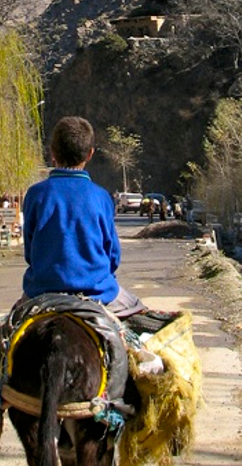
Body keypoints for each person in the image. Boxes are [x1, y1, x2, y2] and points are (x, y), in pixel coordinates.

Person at [18, 116, 146, 318]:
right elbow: (113, 256)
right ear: (90, 154)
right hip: (98, 293)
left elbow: (30, 252)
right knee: (139, 312)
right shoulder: (102, 197)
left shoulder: (35, 194)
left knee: (8, 332)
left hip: (42, 293)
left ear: (52, 153)